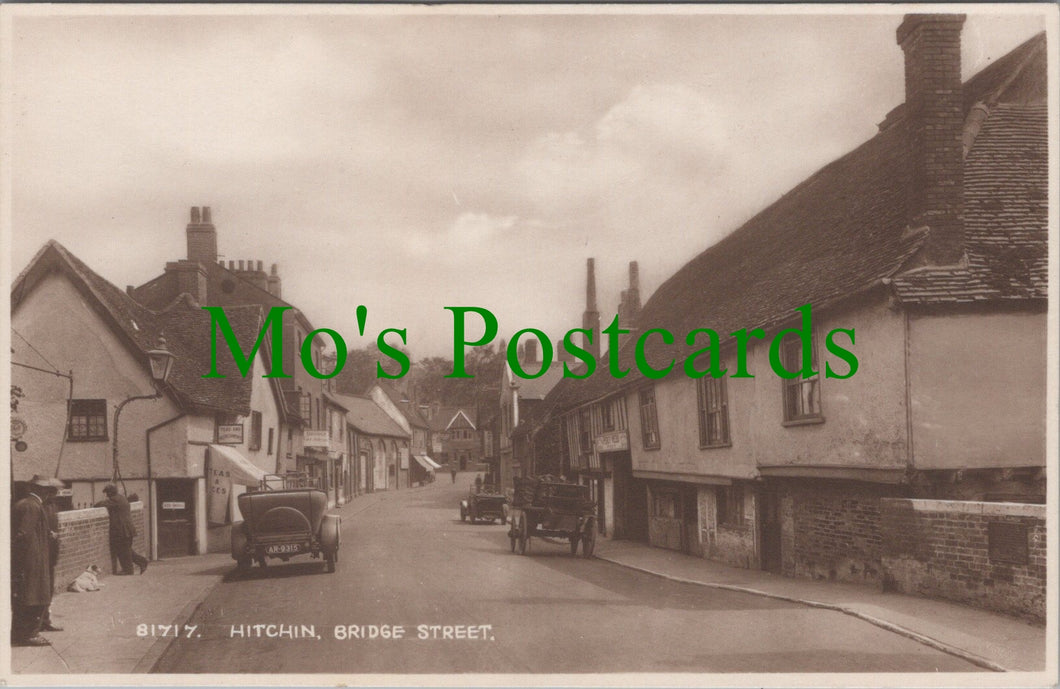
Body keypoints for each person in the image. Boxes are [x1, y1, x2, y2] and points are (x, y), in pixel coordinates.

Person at [11, 476, 55, 646]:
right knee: (34, 597)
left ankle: (21, 633)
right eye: (47, 490)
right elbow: (24, 534)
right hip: (32, 561)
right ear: (41, 490)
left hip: (31, 559)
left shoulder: (26, 503)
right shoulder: (32, 506)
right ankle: (30, 634)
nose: (49, 493)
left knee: (28, 596)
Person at [94, 484, 148, 575]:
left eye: (107, 493)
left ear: (111, 492)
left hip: (122, 529)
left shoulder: (115, 500)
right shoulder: (121, 498)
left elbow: (98, 505)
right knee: (126, 549)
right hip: (127, 528)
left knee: (124, 550)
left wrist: (103, 500)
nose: (106, 495)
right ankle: (142, 562)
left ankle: (129, 570)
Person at [40, 478, 65, 633]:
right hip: (43, 552)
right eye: (52, 492)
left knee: (49, 588)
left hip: (52, 552)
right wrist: (50, 534)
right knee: (42, 589)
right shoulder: (40, 506)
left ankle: (45, 619)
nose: (55, 494)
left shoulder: (53, 506)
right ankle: (41, 621)